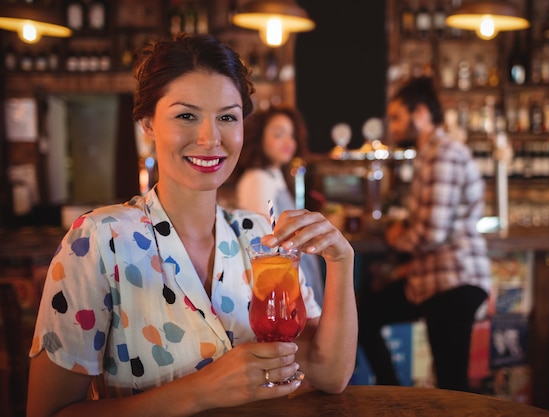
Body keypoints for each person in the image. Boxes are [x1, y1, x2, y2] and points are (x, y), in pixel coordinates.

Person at [27, 33, 357, 417]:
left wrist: (341, 261)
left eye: (227, 117)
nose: (209, 138)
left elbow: (329, 373)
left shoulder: (260, 237)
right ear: (148, 123)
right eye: (186, 115)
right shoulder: (98, 241)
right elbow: (47, 412)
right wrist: (201, 391)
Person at [357, 76, 491, 391]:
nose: (392, 126)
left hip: (454, 280)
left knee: (452, 386)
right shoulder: (432, 153)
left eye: (397, 117)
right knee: (365, 316)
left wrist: (395, 236)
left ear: (420, 113)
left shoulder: (442, 153)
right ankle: (392, 396)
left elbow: (430, 232)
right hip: (435, 280)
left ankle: (393, 395)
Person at [233, 105, 325, 305]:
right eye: (278, 134)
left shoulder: (274, 175)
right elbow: (262, 240)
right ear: (259, 138)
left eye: (291, 135)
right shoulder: (257, 179)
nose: (288, 142)